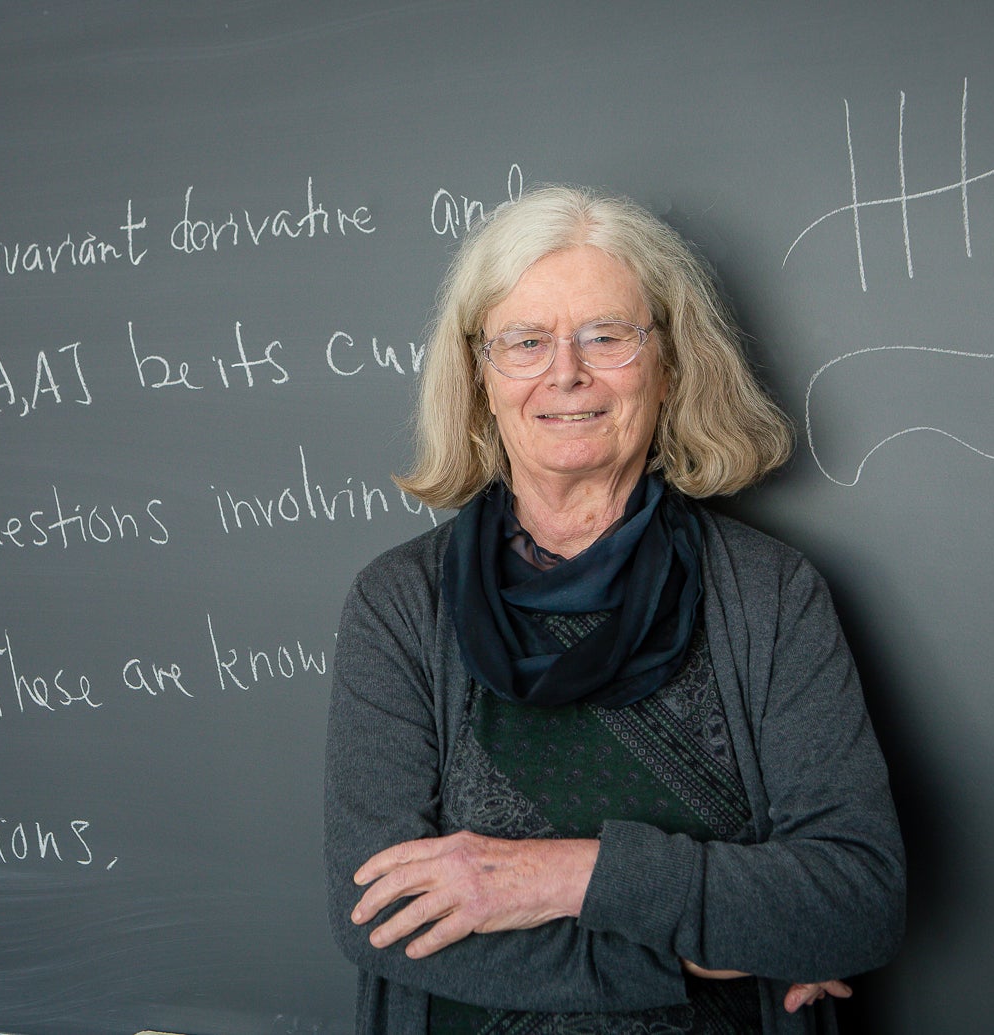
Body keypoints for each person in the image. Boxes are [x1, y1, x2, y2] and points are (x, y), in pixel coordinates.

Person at [323, 185, 905, 1034]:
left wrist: (567, 877)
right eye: (525, 341)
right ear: (481, 377)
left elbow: (855, 902)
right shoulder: (400, 605)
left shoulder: (770, 593)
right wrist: (688, 951)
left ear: (669, 364)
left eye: (606, 335)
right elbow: (381, 916)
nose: (567, 372)